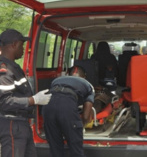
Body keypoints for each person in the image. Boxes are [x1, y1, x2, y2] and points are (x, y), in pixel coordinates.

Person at [0, 29, 52, 157]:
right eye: (22, 45)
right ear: (14, 44)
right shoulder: (5, 70)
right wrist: (33, 100)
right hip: (12, 125)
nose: (24, 49)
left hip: (21, 124)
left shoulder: (14, 67)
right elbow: (4, 102)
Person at [42, 65, 94, 157]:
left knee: (55, 150)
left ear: (67, 74)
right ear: (84, 77)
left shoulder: (56, 80)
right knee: (76, 150)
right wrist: (80, 127)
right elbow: (86, 116)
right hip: (66, 104)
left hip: (47, 105)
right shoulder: (87, 84)